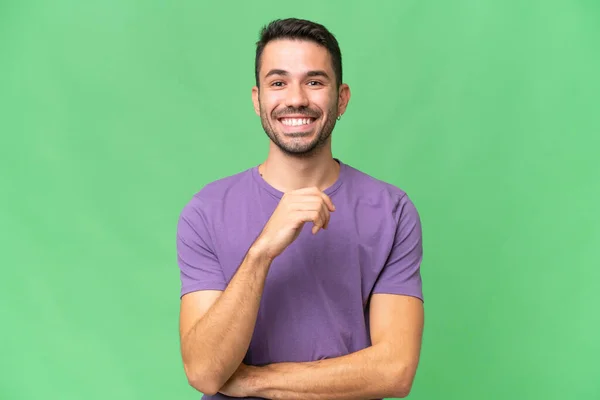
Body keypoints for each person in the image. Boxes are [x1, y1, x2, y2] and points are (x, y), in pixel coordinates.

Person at [176, 17, 424, 399]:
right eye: (278, 82)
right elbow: (205, 372)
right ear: (258, 99)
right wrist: (262, 252)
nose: (296, 99)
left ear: (341, 98)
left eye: (314, 81)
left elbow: (394, 371)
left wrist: (256, 382)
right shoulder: (205, 212)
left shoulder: (392, 211)